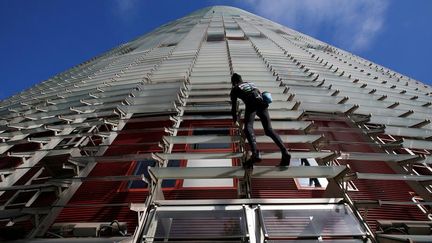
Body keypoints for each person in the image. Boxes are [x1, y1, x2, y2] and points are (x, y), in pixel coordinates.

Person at [230, 73, 291, 167]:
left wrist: (235, 120)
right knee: (269, 130)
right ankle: (285, 152)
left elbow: (234, 107)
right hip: (262, 102)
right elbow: (258, 93)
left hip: (251, 102)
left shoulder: (235, 88)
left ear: (234, 82)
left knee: (248, 127)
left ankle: (255, 153)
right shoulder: (251, 83)